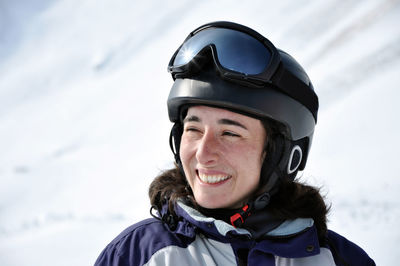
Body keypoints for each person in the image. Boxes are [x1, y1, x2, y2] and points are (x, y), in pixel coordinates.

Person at [95, 21, 375, 266]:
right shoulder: (136, 255)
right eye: (193, 129)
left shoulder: (340, 260)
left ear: (283, 154)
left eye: (230, 133)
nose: (203, 154)